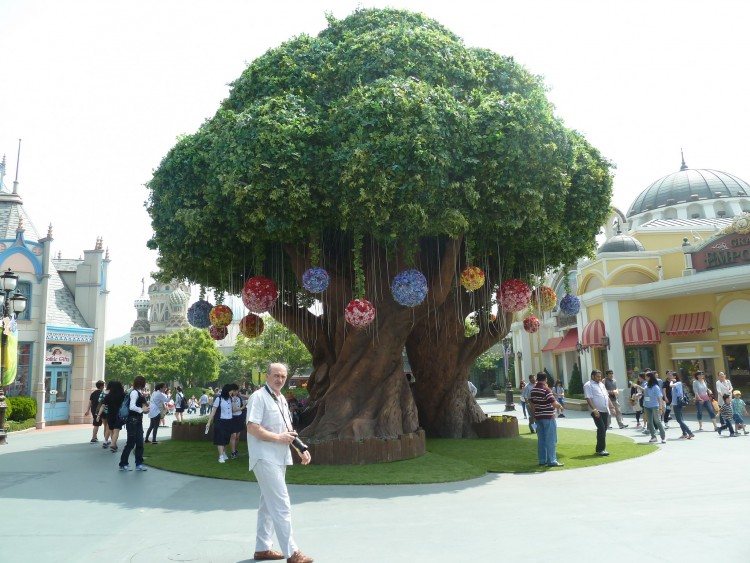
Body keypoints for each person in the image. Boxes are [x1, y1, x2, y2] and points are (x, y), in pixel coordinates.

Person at [246, 363, 313, 563]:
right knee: (281, 504)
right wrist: (278, 438)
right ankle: (292, 553)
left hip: (278, 457)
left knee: (268, 504)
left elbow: (288, 430)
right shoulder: (258, 397)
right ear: (267, 376)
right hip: (264, 457)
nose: (280, 379)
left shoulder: (281, 398)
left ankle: (262, 548)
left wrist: (301, 448)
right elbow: (252, 427)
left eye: (283, 376)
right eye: (276, 375)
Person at [529, 372, 564, 467]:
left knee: (541, 440)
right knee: (551, 439)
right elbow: (554, 403)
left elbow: (532, 405)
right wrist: (560, 406)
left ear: (537, 378)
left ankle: (542, 460)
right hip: (548, 416)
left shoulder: (533, 390)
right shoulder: (546, 389)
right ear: (546, 379)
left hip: (538, 417)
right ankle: (552, 460)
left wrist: (535, 415)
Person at [119, 375, 150, 471]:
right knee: (131, 443)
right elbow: (132, 407)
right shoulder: (134, 393)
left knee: (139, 442)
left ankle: (138, 463)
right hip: (132, 420)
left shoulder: (138, 393)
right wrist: (142, 410)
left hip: (137, 420)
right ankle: (123, 463)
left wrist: (143, 410)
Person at [583, 370, 616, 456]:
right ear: (592, 376)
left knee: (603, 429)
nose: (599, 378)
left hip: (605, 410)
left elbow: (606, 396)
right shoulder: (588, 385)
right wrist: (594, 409)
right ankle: (602, 449)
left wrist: (612, 407)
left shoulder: (601, 384)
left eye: (600, 376)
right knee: (601, 428)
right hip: (597, 411)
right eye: (597, 376)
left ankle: (599, 448)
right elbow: (588, 398)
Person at [205, 384, 234, 463]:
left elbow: (231, 410)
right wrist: (208, 422)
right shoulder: (219, 399)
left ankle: (223, 452)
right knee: (220, 438)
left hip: (229, 421)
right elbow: (213, 411)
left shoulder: (230, 399)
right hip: (220, 421)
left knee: (226, 439)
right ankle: (220, 456)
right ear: (226, 391)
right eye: (231, 391)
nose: (232, 392)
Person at [99, 380, 125, 452]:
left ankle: (114, 444)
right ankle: (113, 444)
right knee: (116, 430)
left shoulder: (108, 396)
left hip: (110, 414)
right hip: (119, 414)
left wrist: (98, 415)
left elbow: (102, 406)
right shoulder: (123, 395)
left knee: (111, 430)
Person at [642, 371, 666, 444]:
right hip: (646, 406)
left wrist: (661, 408)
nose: (645, 378)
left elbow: (659, 398)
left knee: (657, 421)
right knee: (649, 422)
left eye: (646, 376)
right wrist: (640, 394)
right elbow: (646, 394)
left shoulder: (655, 387)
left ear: (650, 377)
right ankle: (653, 437)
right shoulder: (646, 385)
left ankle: (663, 437)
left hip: (655, 406)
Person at [229, 383, 246, 460]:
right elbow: (234, 409)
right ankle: (232, 452)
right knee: (233, 436)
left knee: (237, 436)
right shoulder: (229, 399)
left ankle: (235, 450)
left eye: (237, 391)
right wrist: (242, 407)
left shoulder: (239, 398)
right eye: (234, 391)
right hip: (232, 418)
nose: (235, 392)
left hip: (239, 418)